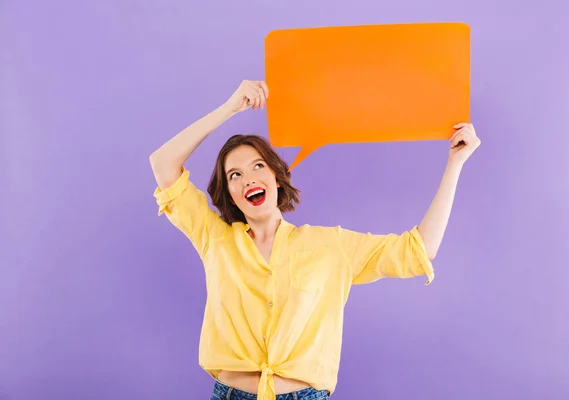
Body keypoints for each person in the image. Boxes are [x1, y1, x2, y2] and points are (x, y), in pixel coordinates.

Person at [149, 80, 481, 400]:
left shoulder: (329, 246)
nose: (248, 178)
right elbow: (163, 163)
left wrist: (455, 164)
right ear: (231, 195)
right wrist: (230, 108)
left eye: (257, 166)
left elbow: (419, 249)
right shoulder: (216, 240)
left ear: (276, 179)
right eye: (235, 175)